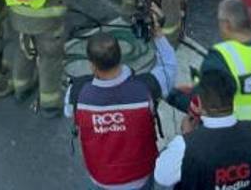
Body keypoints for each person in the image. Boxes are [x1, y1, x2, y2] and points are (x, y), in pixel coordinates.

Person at [66, 12, 177, 190]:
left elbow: (68, 112)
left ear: (92, 65)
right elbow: (169, 66)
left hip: (101, 178)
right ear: (120, 57)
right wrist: (157, 34)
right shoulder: (146, 88)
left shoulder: (78, 93)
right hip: (140, 177)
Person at [153, 69, 251, 190]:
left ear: (199, 102)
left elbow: (162, 178)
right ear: (233, 98)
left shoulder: (185, 146)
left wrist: (187, 136)